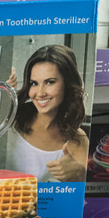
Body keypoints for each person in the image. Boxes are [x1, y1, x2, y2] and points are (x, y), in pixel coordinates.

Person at [6, 45, 89, 182]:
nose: (40, 93)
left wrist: (80, 173)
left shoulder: (77, 140)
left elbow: (78, 192)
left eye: (50, 82)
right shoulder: (10, 120)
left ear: (67, 84)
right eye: (34, 83)